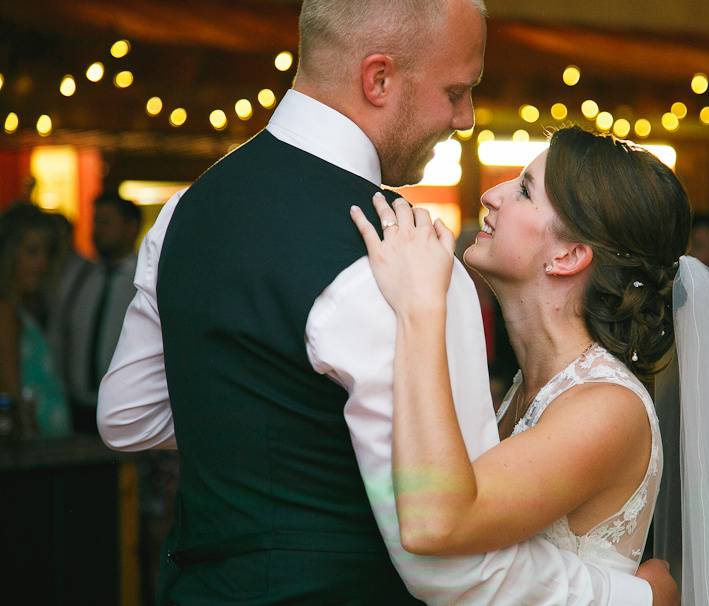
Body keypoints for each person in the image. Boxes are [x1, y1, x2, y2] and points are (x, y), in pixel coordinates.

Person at [97, 1, 679, 604]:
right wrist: (634, 597)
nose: (465, 119)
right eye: (457, 91)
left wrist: (267, 431)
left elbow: (128, 416)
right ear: (378, 79)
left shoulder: (184, 211)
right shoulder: (406, 263)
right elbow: (452, 566)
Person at [350, 126, 709, 605]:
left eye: (523, 190)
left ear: (568, 255)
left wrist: (420, 306)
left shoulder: (606, 406)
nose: (491, 194)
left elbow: (437, 522)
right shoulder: (533, 387)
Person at [49, 192, 141, 434]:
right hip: (77, 406)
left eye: (105, 222)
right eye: (95, 222)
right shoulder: (79, 277)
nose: (97, 230)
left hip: (127, 408)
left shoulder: (144, 283)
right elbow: (59, 336)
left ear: (130, 228)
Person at [0, 203, 70, 437]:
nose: (42, 263)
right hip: (35, 453)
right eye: (32, 251)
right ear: (8, 252)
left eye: (46, 253)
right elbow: (11, 395)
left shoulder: (19, 307)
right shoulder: (5, 311)